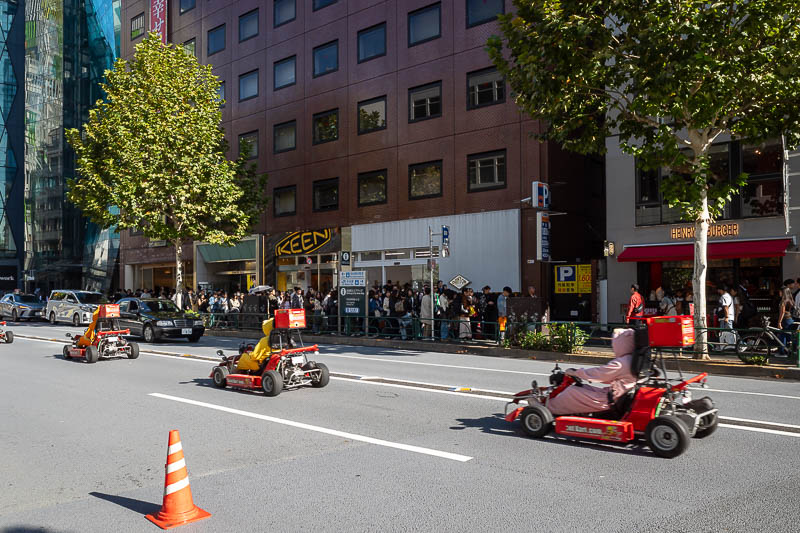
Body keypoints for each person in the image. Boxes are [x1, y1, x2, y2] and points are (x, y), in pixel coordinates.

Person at [546, 329, 638, 415]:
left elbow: (600, 374)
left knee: (571, 392)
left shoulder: (621, 363)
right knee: (583, 387)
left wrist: (575, 372)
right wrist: (584, 376)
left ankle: (548, 409)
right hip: (618, 395)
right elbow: (608, 377)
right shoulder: (632, 360)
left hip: (609, 400)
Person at [776, 281, 796, 357]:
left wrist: (779, 322)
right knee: (788, 337)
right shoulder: (790, 300)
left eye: (780, 292)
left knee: (782, 336)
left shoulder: (783, 301)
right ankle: (788, 352)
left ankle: (782, 352)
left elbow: (782, 312)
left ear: (783, 292)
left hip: (785, 320)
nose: (779, 293)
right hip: (790, 319)